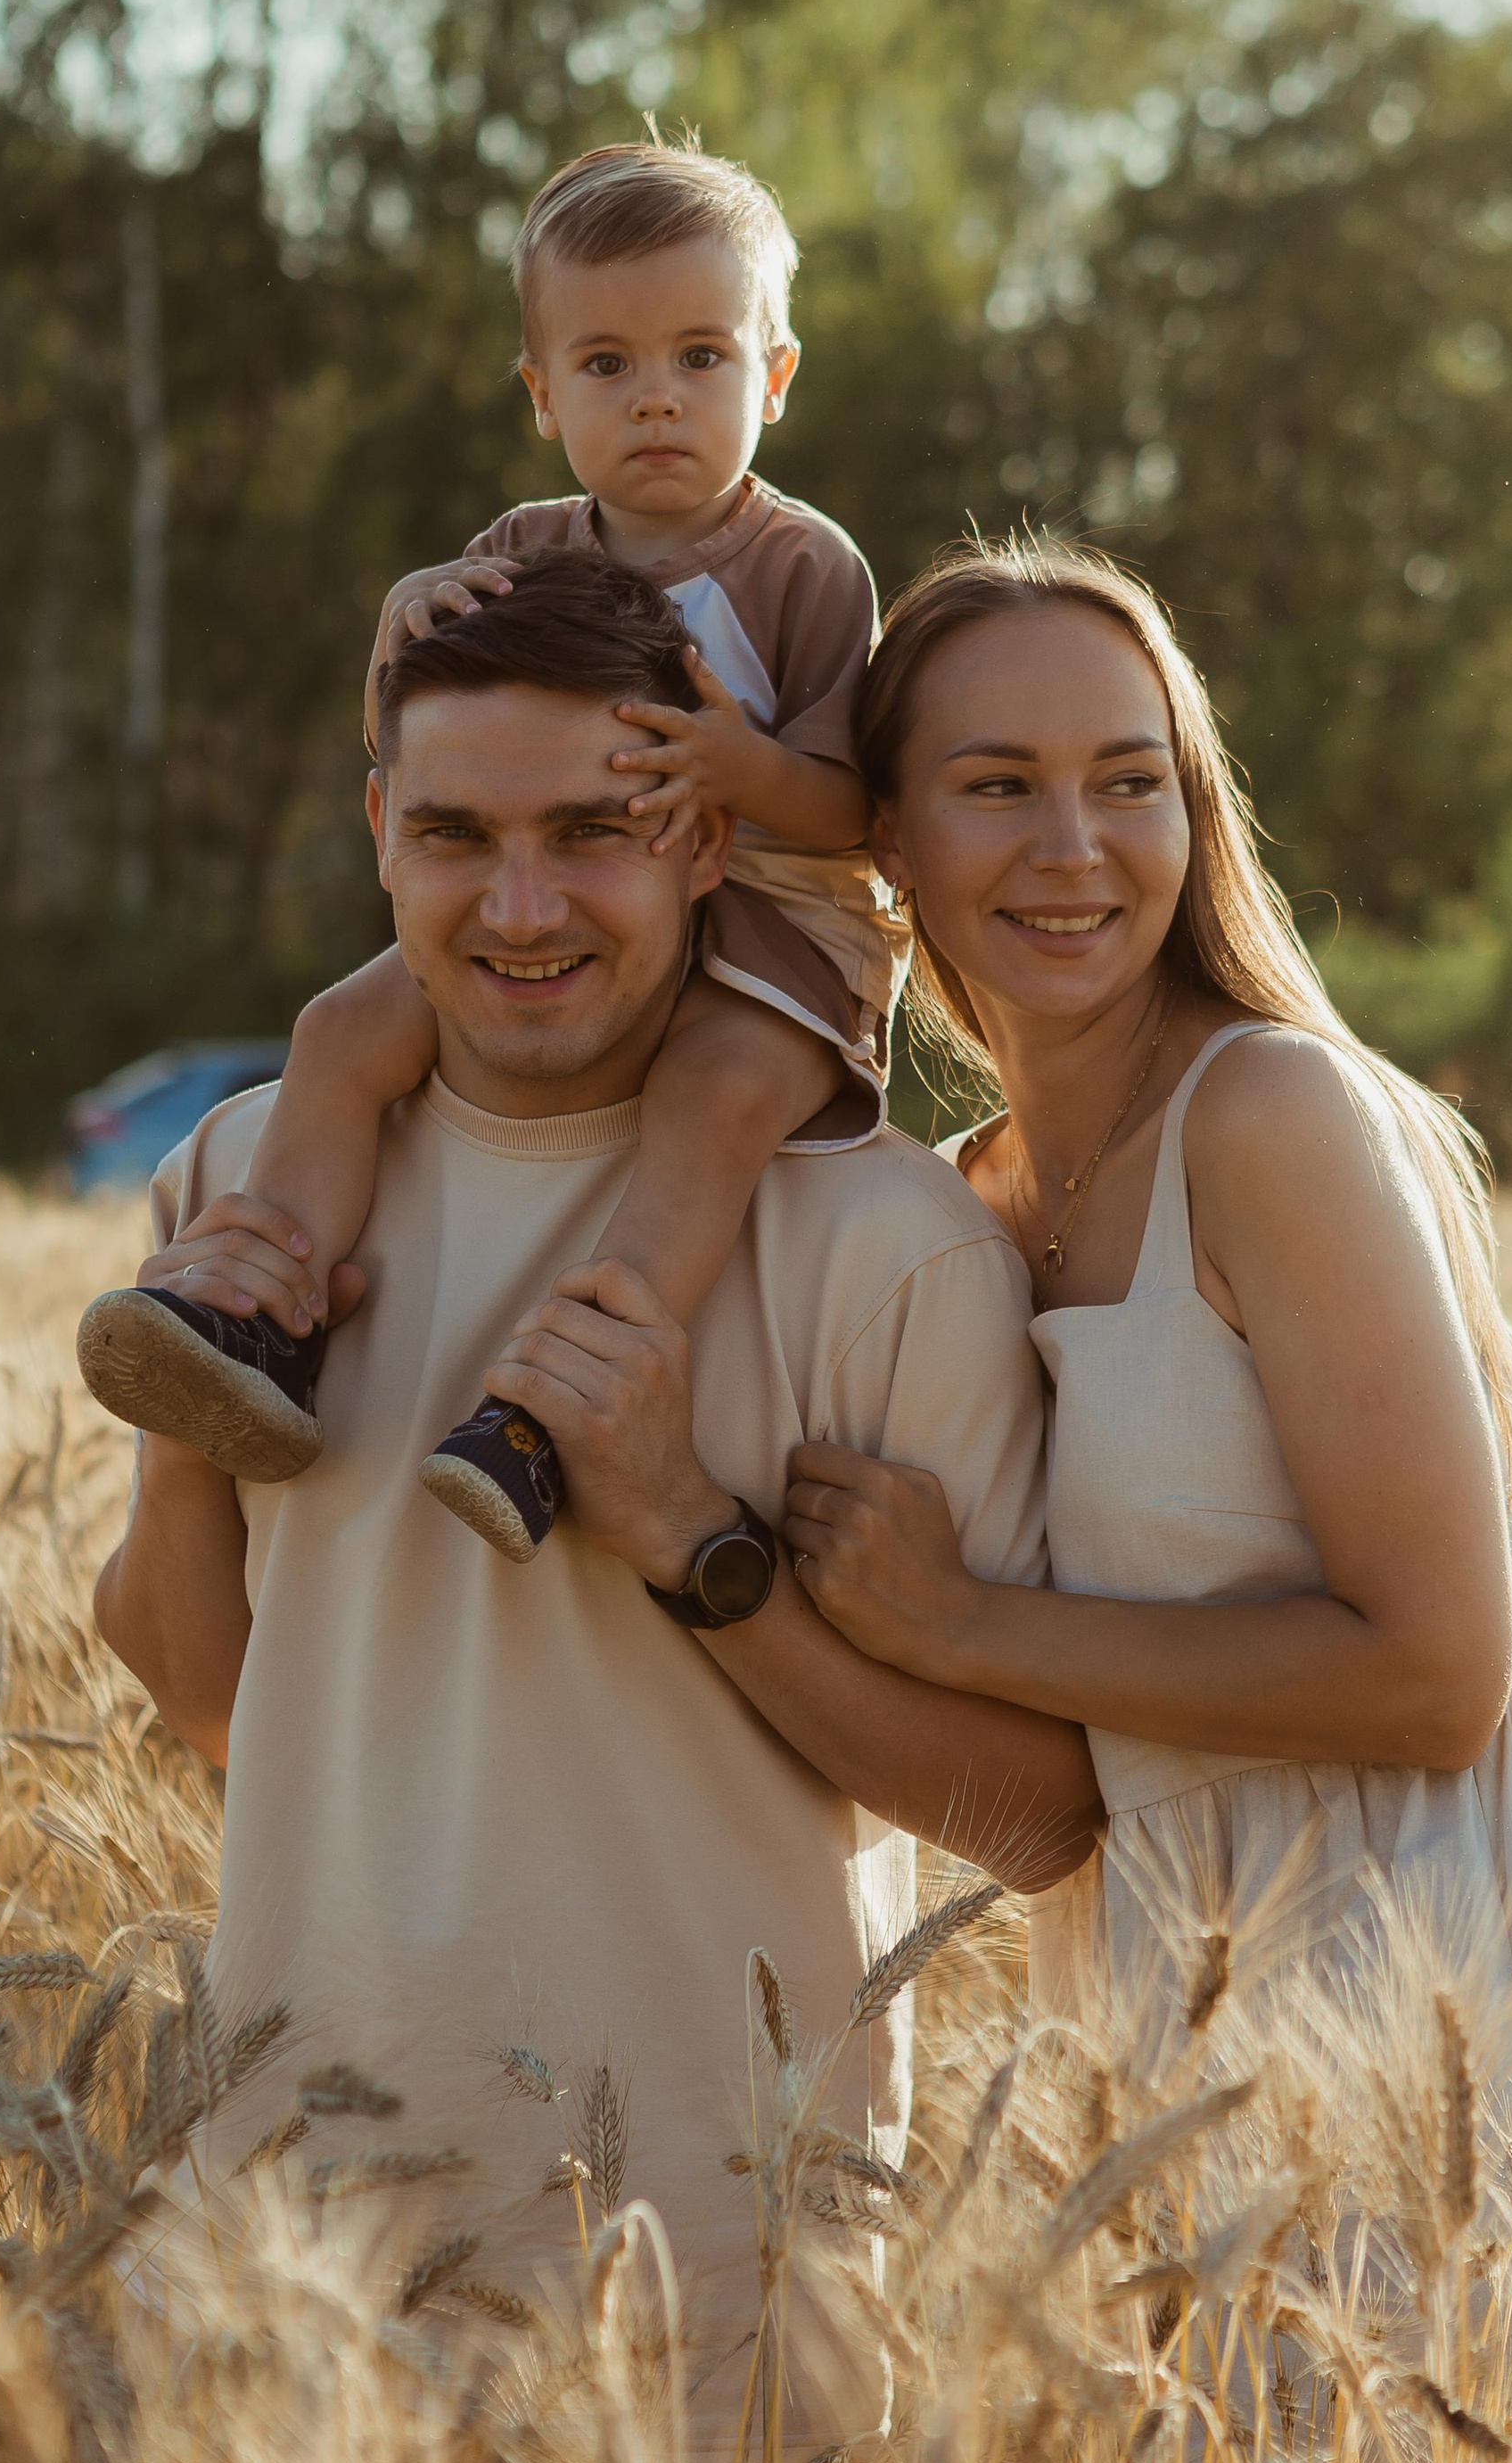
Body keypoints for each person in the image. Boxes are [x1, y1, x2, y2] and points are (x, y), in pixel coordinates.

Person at [777, 536, 1512, 2463]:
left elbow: (1434, 1672)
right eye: (996, 787)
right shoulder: (967, 1195)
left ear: (1194, 810)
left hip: (1459, 1994)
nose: (1074, 847)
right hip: (1177, 2021)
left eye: (1128, 781)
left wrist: (962, 1617)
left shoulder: (1268, 1116)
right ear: (886, 838)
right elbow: (1051, 1762)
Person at [91, 545, 1101, 2459]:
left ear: (706, 843)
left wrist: (687, 1537)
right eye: (459, 835)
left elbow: (1034, 1815)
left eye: (594, 832)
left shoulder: (877, 1242)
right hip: (304, 2266)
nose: (524, 903)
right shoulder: (252, 1182)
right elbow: (208, 1701)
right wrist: (193, 1404)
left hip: (720, 2295)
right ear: (380, 832)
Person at [78, 136, 905, 1564]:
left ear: (775, 377)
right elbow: (414, 741)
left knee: (709, 1109)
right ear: (540, 396)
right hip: (581, 901)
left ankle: (557, 1409)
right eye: (605, 365)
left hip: (779, 918)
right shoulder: (522, 543)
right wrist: (408, 603)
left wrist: (737, 769)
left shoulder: (805, 567)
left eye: (702, 357)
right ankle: (259, 1315)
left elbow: (857, 812)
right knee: (343, 1029)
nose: (657, 395)